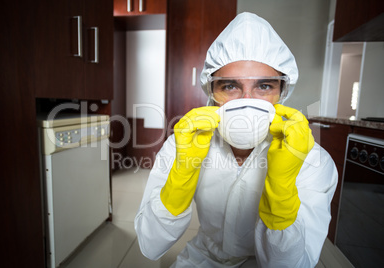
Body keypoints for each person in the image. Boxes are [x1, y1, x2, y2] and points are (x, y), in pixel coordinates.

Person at [134, 12, 338, 267]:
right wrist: (181, 176)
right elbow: (150, 244)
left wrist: (281, 191)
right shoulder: (184, 146)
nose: (247, 102)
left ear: (282, 92)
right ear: (211, 91)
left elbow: (292, 264)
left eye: (264, 86)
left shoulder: (311, 159)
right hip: (202, 257)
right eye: (230, 86)